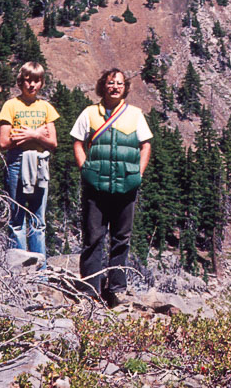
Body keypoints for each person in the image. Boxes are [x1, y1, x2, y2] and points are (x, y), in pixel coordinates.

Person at [70, 68, 152, 307]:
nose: (114, 87)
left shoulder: (135, 114)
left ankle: (116, 289)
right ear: (102, 86)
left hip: (126, 186)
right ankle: (90, 289)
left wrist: (139, 173)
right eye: (110, 83)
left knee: (121, 238)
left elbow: (145, 145)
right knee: (93, 237)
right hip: (95, 187)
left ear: (125, 87)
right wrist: (85, 169)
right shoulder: (89, 113)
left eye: (119, 83)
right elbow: (77, 141)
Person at [0, 62, 59, 262]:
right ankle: (20, 270)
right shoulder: (11, 106)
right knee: (17, 218)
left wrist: (31, 134)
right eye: (28, 80)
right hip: (17, 162)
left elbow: (53, 142)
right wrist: (36, 134)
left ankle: (39, 270)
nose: (32, 85)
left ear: (42, 83)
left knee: (38, 219)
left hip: (40, 164)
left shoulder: (46, 108)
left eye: (37, 80)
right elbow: (3, 141)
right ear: (20, 81)